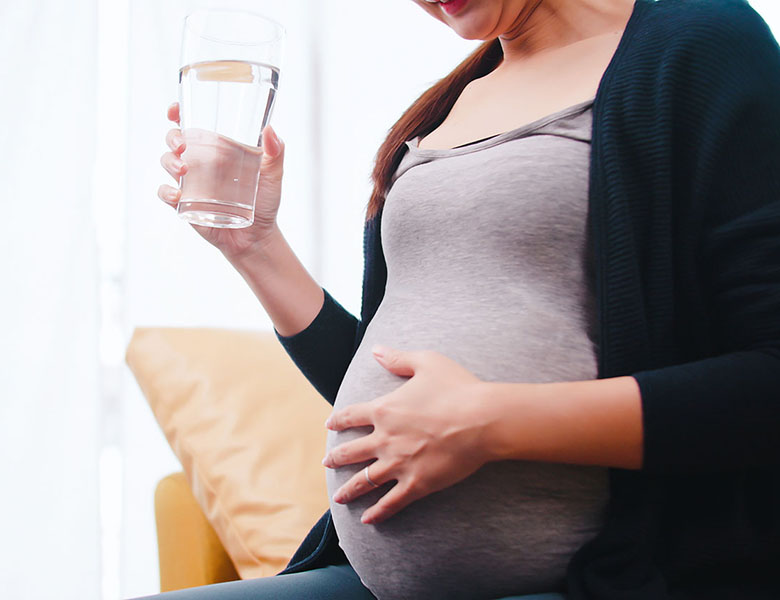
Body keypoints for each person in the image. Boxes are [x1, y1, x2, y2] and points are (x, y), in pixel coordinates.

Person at [148, 0, 780, 598]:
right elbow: (400, 392)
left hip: (606, 576)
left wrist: (489, 423)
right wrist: (254, 246)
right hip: (374, 581)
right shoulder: (455, 99)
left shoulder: (703, 44)